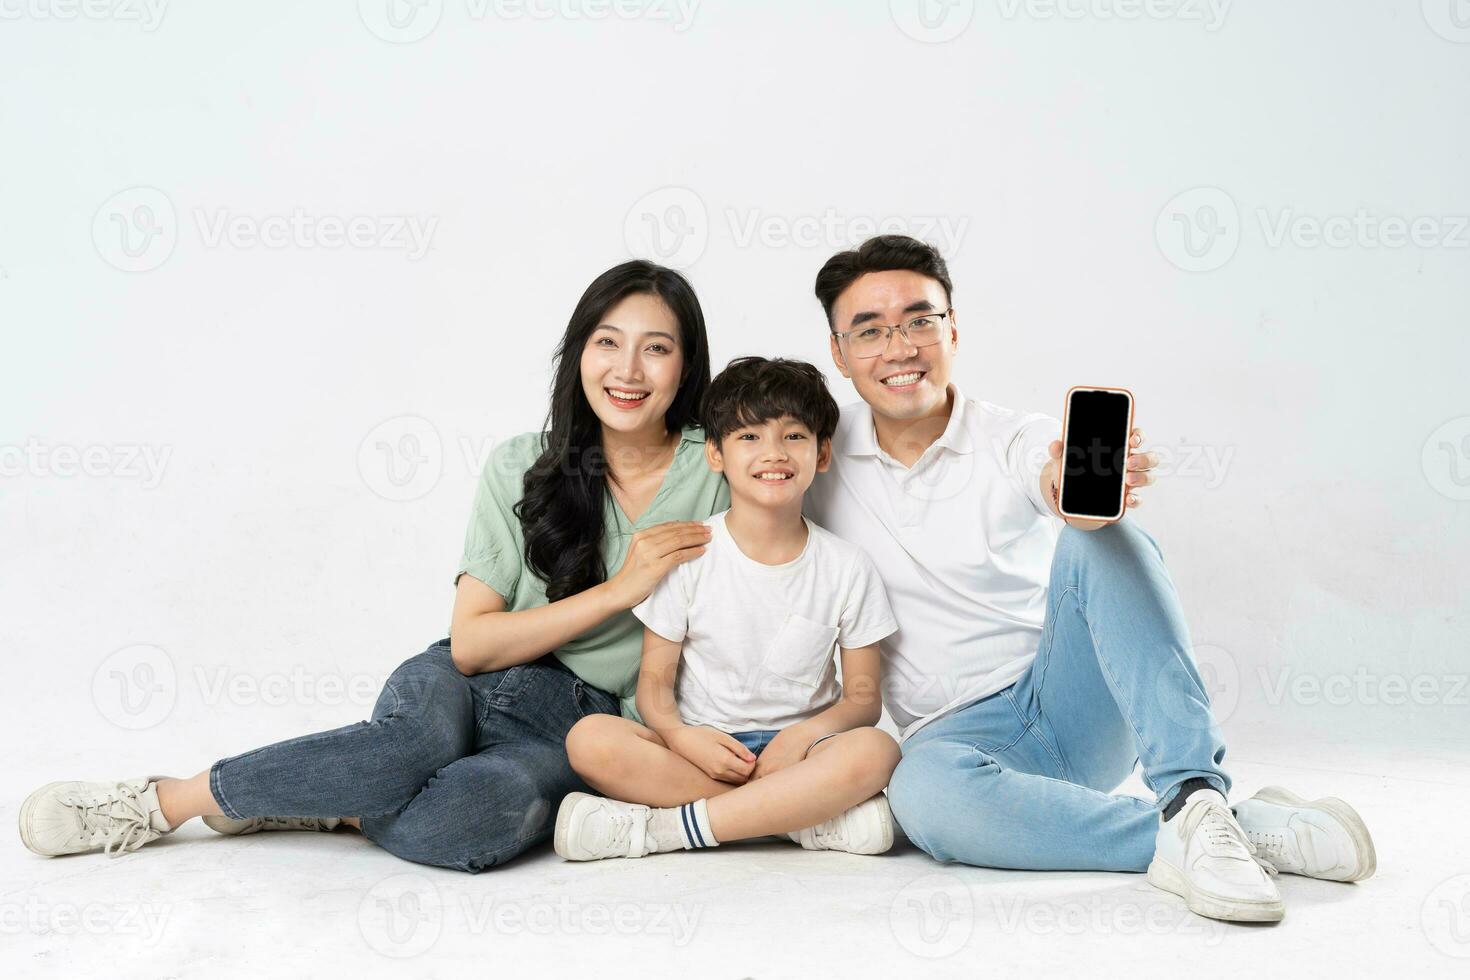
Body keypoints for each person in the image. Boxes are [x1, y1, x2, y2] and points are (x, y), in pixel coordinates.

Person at [19, 260, 731, 872]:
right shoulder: (522, 463)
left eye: (656, 348)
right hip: (463, 680)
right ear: (578, 353)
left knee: (484, 812)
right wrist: (619, 590)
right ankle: (163, 801)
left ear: (687, 364)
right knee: (407, 746)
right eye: (608, 342)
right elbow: (475, 644)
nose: (628, 370)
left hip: (585, 725)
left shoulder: (723, 466)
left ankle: (328, 802)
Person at [802, 235, 1377, 922]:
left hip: (1073, 700)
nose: (899, 348)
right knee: (922, 799)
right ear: (839, 353)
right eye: (870, 330)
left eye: (920, 320)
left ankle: (1193, 790)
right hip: (959, 741)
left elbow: (1048, 474)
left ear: (953, 329)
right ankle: (1222, 832)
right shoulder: (813, 459)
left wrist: (1073, 487)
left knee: (1100, 535)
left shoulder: (1013, 435)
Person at [553, 356, 900, 861]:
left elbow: (863, 701)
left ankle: (665, 830)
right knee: (590, 739)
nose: (773, 453)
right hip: (702, 754)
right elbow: (654, 686)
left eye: (795, 437)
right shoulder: (690, 556)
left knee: (879, 751)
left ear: (823, 453)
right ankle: (794, 820)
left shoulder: (848, 567)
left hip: (802, 755)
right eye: (749, 437)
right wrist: (681, 736)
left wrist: (801, 737)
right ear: (715, 454)